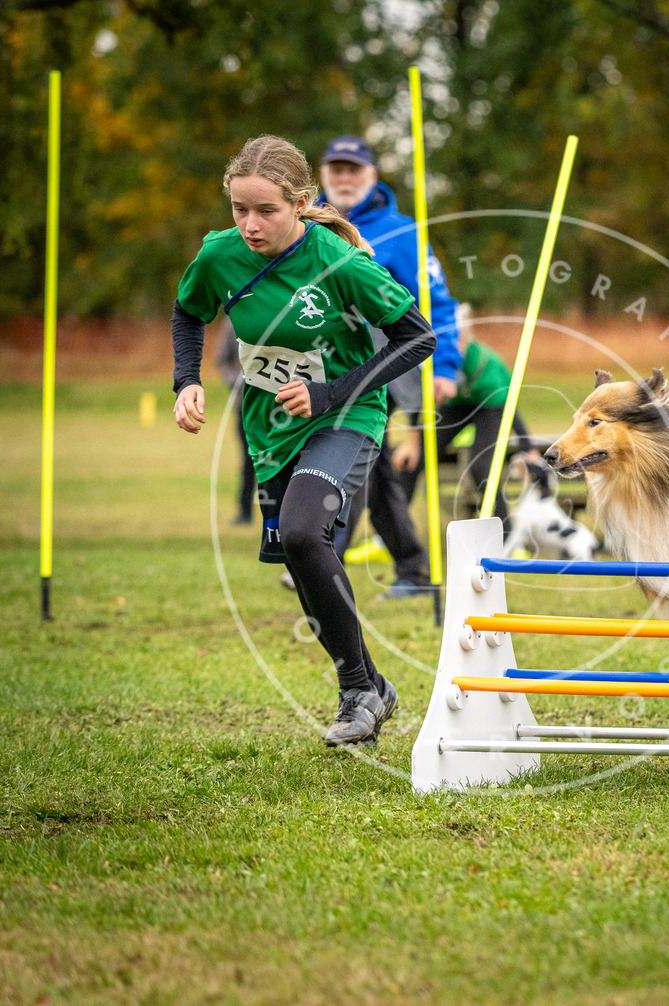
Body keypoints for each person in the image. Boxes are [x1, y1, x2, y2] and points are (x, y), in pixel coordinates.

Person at [171, 135, 436, 746]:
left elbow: (417, 337)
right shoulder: (220, 255)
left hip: (348, 416)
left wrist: (331, 392)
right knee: (301, 552)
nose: (250, 225)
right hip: (271, 431)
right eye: (240, 209)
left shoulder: (341, 263)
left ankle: (356, 692)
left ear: (299, 203)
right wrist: (187, 381)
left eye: (266, 211)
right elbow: (188, 312)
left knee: (300, 532)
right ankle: (373, 686)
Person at [317, 135, 464, 598]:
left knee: (350, 454)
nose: (344, 178)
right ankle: (411, 568)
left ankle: (322, 557)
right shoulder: (305, 226)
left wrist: (446, 366)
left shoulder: (401, 232)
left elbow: (437, 302)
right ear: (323, 175)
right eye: (336, 169)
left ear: (372, 177)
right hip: (325, 365)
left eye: (353, 170)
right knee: (375, 469)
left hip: (388, 365)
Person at [392, 325, 537, 526]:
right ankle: (395, 530)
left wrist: (528, 447)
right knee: (414, 459)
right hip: (458, 403)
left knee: (480, 466)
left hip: (491, 403)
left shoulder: (485, 366)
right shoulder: (434, 358)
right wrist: (413, 443)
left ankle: (506, 531)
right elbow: (418, 397)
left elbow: (509, 405)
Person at [215, 318, 255, 525]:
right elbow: (221, 362)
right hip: (244, 406)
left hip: (280, 406)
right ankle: (245, 511)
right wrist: (238, 383)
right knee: (249, 459)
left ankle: (281, 516)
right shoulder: (231, 324)